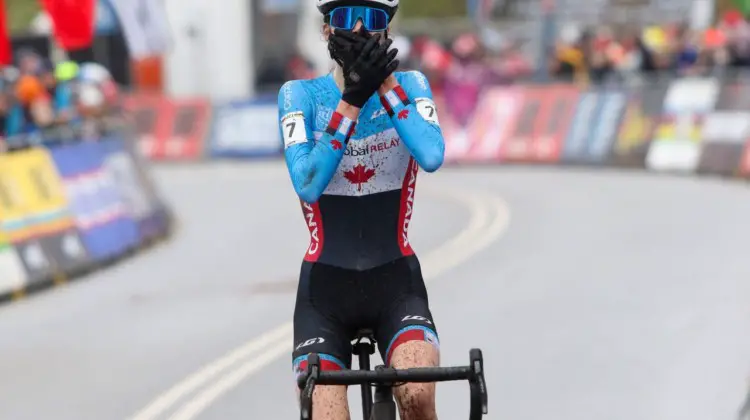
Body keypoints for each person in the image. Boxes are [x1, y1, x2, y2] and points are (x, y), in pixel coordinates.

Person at [277, 0, 445, 419]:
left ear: (386, 31)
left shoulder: (412, 84)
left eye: (370, 20)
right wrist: (351, 99)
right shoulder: (300, 95)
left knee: (418, 396)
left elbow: (431, 154)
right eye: (343, 18)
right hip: (325, 293)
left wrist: (384, 84)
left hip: (395, 282)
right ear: (325, 31)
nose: (357, 29)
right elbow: (309, 184)